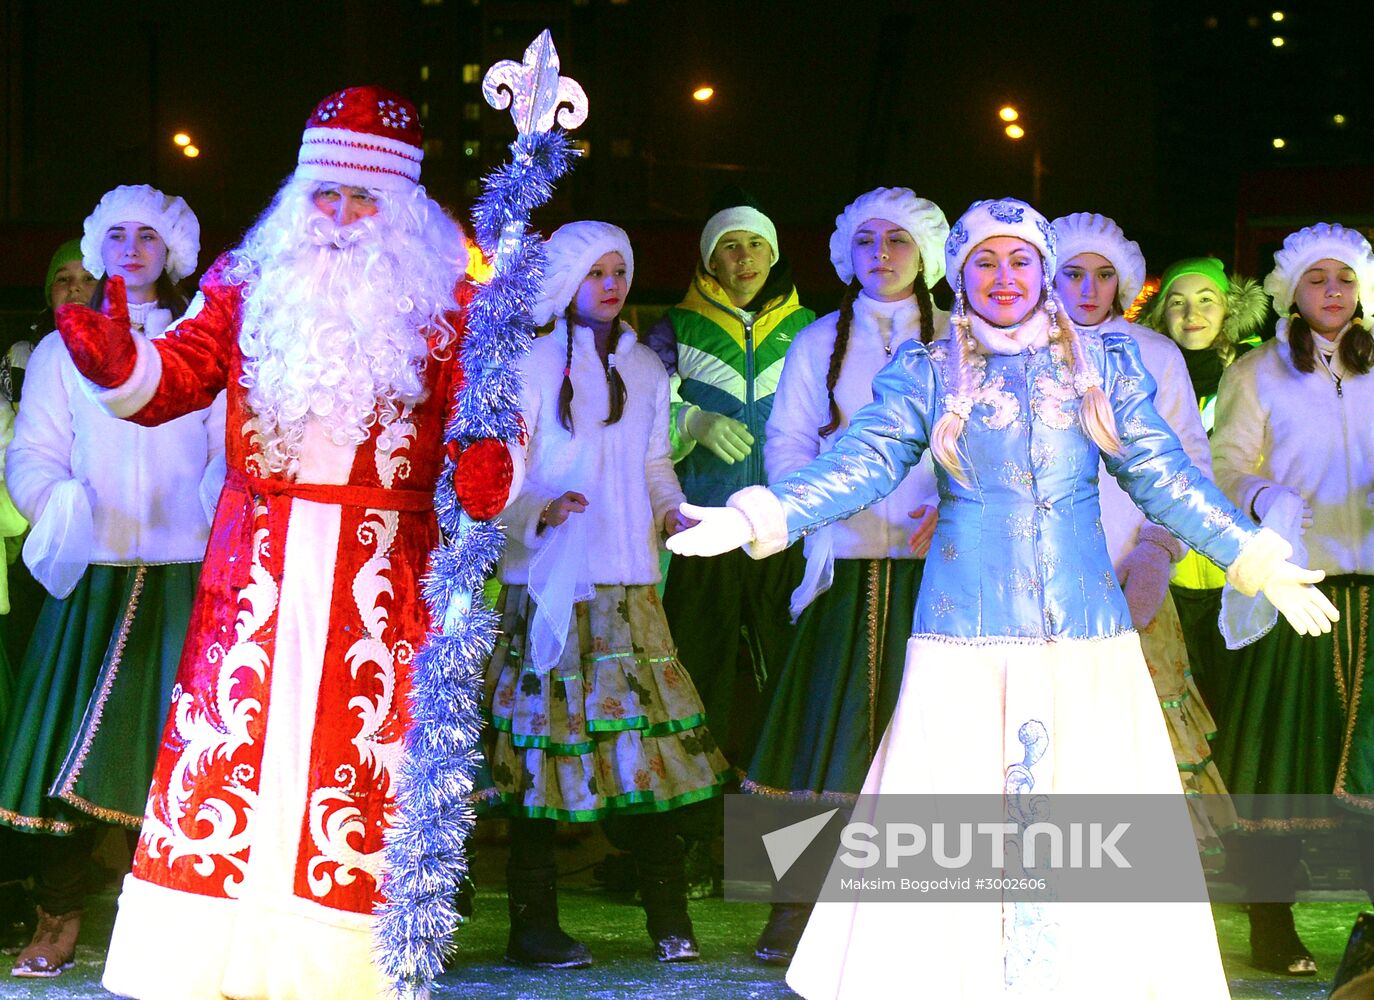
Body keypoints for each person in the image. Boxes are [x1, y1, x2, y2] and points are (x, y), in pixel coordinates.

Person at [667, 197, 1338, 999]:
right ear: (959, 273)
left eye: (1020, 259)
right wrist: (759, 513)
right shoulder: (926, 370)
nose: (1004, 276)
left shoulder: (1102, 366)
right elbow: (861, 462)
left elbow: (1166, 477)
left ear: (1044, 269)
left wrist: (1253, 557)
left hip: (1085, 635)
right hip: (964, 635)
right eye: (985, 260)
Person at [48, 87, 512, 1000]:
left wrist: (494, 462)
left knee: (356, 753)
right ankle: (202, 958)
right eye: (326, 196)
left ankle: (339, 969)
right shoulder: (244, 280)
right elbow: (178, 373)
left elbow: (490, 421)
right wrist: (119, 364)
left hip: (379, 570)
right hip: (251, 558)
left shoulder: (454, 301)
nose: (340, 218)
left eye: (364, 199)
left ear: (404, 207)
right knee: (233, 748)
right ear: (299, 197)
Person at [476, 221, 727, 967]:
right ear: (565, 282)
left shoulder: (646, 367)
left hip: (630, 588)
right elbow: (501, 469)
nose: (612, 284)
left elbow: (653, 463)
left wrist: (671, 510)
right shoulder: (525, 365)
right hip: (550, 582)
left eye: (621, 269)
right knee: (542, 752)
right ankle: (533, 920)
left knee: (642, 746)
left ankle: (668, 916)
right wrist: (538, 511)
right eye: (596, 272)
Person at [0, 185, 220, 979]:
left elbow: (230, 448)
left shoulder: (201, 340)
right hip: (91, 575)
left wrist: (206, 516)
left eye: (149, 236)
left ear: (173, 251)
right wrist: (66, 506)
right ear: (97, 245)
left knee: (185, 763)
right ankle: (58, 917)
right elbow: (32, 455)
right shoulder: (66, 349)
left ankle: (165, 924)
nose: (132, 248)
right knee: (59, 754)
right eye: (117, 234)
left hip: (184, 579)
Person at [745, 187, 947, 964]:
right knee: (812, 737)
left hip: (936, 572)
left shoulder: (959, 343)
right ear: (847, 253)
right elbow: (788, 440)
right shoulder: (817, 340)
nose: (883, 254)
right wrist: (814, 511)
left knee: (922, 734)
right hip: (842, 566)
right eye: (868, 240)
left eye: (899, 241)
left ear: (926, 254)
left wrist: (950, 509)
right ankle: (793, 907)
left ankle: (914, 909)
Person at [1208, 222, 1374, 978]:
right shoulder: (1258, 371)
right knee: (1281, 764)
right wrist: (1266, 492)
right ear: (1292, 291)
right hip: (1299, 584)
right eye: (1318, 279)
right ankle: (1271, 921)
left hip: (1372, 584)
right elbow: (1226, 465)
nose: (1332, 290)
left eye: (1345, 278)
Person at [1051, 212, 1234, 864]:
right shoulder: (1019, 351)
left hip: (1130, 574)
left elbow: (1189, 465)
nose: (1089, 288)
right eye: (1074, 273)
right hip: (1038, 578)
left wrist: (1158, 549)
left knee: (1141, 727)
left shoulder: (1154, 356)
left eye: (1105, 275)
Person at [642, 188, 814, 768]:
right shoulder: (675, 329)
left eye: (756, 244)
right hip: (703, 527)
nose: (745, 257)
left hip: (788, 528)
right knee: (697, 667)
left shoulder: (813, 329)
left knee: (791, 671)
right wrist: (690, 420)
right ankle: (695, 814)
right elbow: (637, 425)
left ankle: (777, 805)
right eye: (730, 246)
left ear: (773, 254)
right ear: (709, 260)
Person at [1139, 258, 1267, 719]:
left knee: (1233, 696)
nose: (1191, 313)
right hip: (1163, 565)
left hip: (1235, 567)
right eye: (1177, 302)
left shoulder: (1256, 373)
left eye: (1206, 300)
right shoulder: (1143, 373)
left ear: (1229, 309)